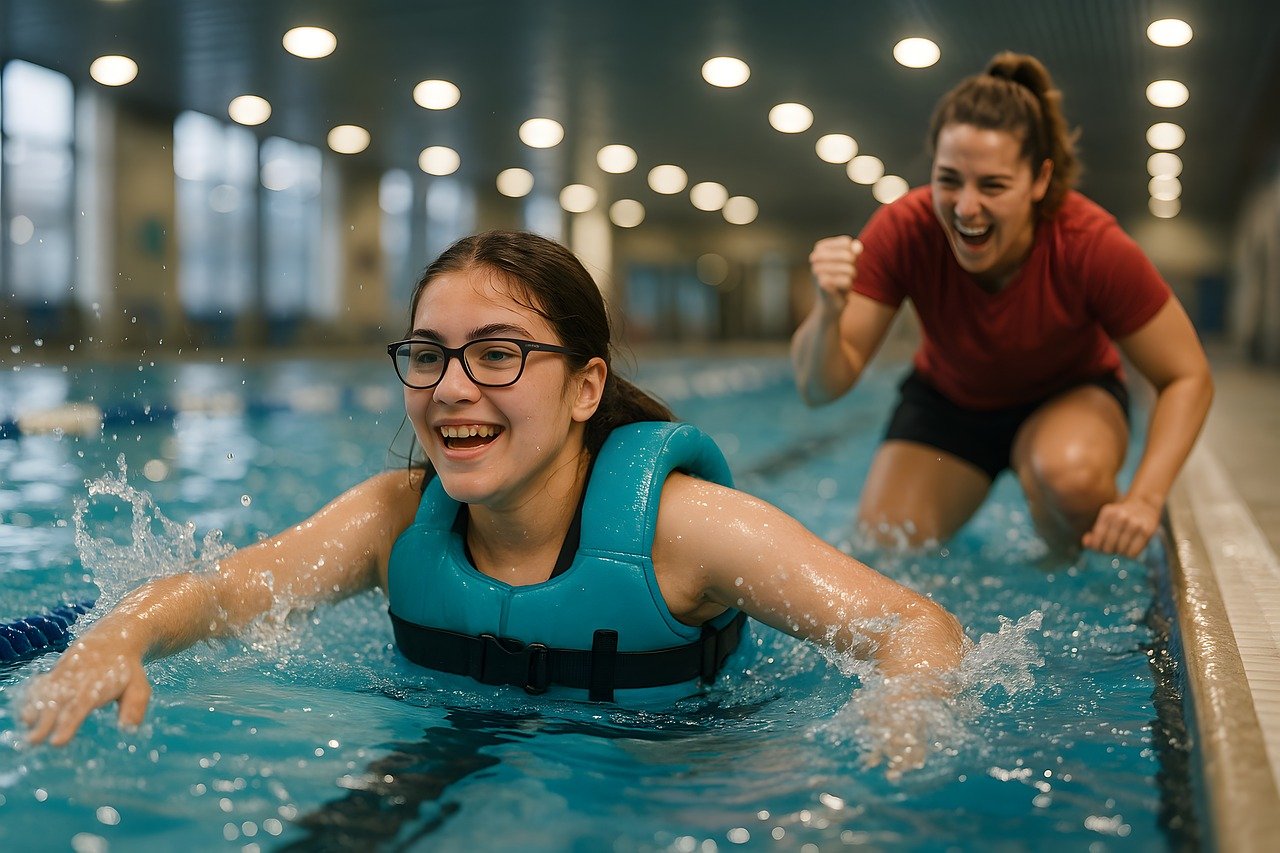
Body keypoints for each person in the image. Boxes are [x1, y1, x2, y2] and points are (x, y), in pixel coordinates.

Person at [23, 230, 964, 775]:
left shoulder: (685, 530)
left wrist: (900, 719)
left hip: (689, 774)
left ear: (586, 386)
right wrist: (117, 637)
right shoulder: (395, 519)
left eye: (499, 352)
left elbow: (915, 627)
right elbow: (228, 591)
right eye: (428, 353)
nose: (453, 388)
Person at [791, 52, 1213, 557]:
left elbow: (1188, 377)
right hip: (949, 404)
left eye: (992, 185)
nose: (967, 207)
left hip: (1068, 397)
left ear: (1039, 180)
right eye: (949, 180)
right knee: (885, 549)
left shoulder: (1089, 244)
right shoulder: (905, 229)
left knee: (1071, 476)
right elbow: (819, 390)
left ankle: (1062, 561)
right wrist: (828, 313)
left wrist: (1145, 499)